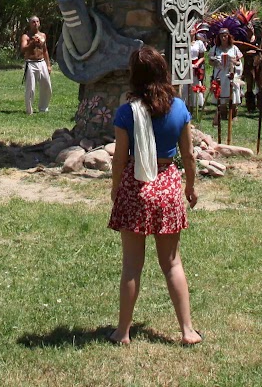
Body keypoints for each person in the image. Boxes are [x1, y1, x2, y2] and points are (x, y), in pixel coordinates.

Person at [107, 46, 200, 347]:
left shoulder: (127, 112)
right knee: (172, 263)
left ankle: (123, 332)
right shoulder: (179, 108)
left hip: (136, 185)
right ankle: (187, 330)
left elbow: (120, 159)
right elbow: (188, 155)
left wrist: (114, 187)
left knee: (132, 265)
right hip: (168, 184)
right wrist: (191, 187)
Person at [209, 28, 242, 133]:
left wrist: (232, 61)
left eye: (225, 35)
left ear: (229, 36)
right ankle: (223, 113)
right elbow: (210, 61)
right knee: (221, 93)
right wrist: (215, 62)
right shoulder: (215, 49)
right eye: (221, 36)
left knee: (233, 92)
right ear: (218, 37)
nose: (223, 38)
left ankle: (233, 115)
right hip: (220, 74)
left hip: (230, 73)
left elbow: (239, 62)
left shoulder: (234, 48)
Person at [21, 16, 53, 114]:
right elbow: (23, 49)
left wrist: (48, 65)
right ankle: (29, 110)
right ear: (30, 24)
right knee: (31, 88)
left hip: (41, 62)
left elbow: (45, 50)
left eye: (37, 21)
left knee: (47, 85)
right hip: (31, 63)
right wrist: (32, 43)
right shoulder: (26, 36)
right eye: (33, 22)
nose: (35, 23)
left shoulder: (42, 35)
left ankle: (43, 108)